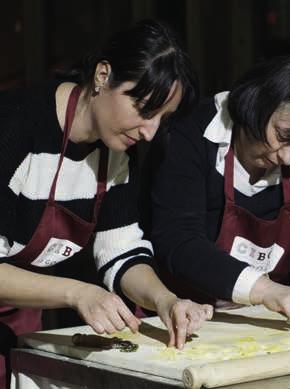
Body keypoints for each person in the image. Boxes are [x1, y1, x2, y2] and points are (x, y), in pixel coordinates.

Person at [0, 19, 213, 389]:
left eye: (162, 119)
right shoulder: (14, 127)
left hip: (18, 324)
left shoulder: (114, 151)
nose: (149, 132)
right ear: (103, 75)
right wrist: (78, 292)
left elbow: (121, 252)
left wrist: (165, 300)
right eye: (145, 109)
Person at [151, 55, 290, 329]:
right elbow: (178, 240)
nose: (288, 157)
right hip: (182, 319)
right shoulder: (191, 133)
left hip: (259, 324)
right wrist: (267, 290)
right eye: (282, 135)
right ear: (257, 104)